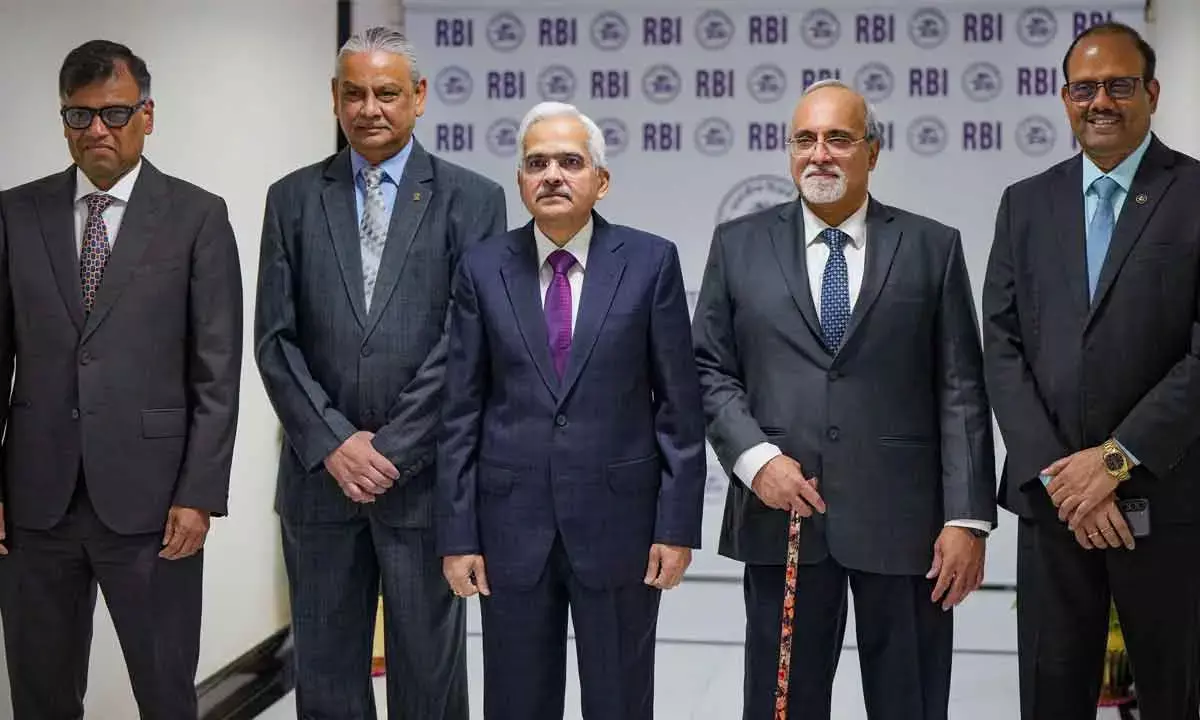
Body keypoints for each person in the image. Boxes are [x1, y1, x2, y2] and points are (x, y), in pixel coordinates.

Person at [692, 79, 996, 720]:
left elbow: (961, 390)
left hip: (908, 528)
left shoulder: (931, 248)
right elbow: (708, 370)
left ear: (873, 151)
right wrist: (756, 462)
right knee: (780, 707)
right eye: (805, 139)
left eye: (838, 138)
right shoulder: (738, 245)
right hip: (784, 519)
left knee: (910, 701)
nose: (819, 154)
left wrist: (967, 518)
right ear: (788, 151)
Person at [254, 25, 506, 720]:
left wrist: (389, 450)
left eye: (387, 93)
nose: (370, 108)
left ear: (419, 97)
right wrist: (336, 444)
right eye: (355, 93)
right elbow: (274, 341)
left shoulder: (472, 200)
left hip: (424, 484)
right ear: (335, 99)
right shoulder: (293, 198)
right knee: (328, 678)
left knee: (429, 677)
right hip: (319, 482)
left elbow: (469, 342)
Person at [437, 100, 707, 720]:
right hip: (509, 530)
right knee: (516, 701)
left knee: (619, 699)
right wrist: (457, 535)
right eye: (536, 163)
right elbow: (459, 411)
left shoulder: (650, 262)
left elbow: (679, 410)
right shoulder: (482, 269)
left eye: (569, 161)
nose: (552, 175)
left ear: (600, 180)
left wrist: (675, 526)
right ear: (520, 182)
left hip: (621, 528)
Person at [0, 40, 243, 719]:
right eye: (79, 116)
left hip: (156, 508)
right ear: (64, 121)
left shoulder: (197, 216)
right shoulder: (15, 215)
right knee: (39, 698)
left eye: (113, 112)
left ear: (147, 114)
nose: (96, 130)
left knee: (166, 695)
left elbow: (217, 372)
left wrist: (200, 495)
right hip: (33, 508)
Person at [982, 22, 1200, 719]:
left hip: (1170, 506)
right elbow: (1001, 344)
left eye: (1119, 86)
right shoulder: (1025, 202)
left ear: (1152, 93)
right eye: (1084, 88)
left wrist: (1113, 459)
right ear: (1064, 97)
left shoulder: (1195, 193)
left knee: (1179, 696)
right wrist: (1060, 473)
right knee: (1050, 697)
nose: (1100, 101)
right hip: (1056, 513)